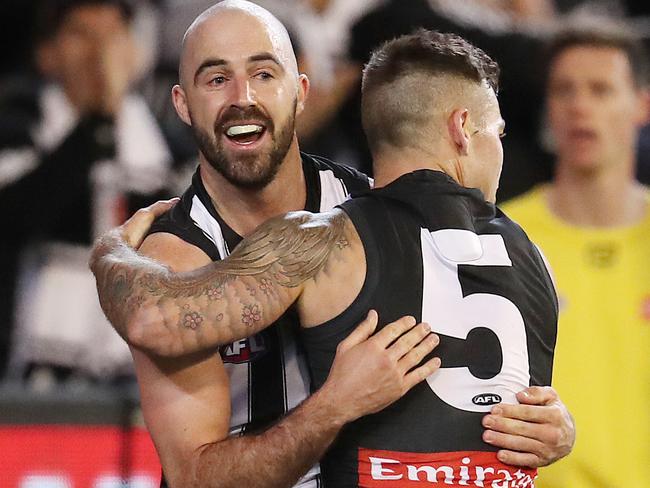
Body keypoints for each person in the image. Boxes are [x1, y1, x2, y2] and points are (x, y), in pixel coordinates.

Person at [91, 22, 574, 488]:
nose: (243, 97)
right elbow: (196, 480)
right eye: (217, 79)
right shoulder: (171, 257)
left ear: (302, 90)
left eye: (263, 74)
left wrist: (549, 425)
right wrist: (334, 406)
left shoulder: (368, 210)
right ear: (182, 103)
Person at [502, 17, 650, 487]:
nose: (580, 106)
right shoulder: (504, 237)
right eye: (564, 90)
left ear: (642, 104)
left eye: (601, 90)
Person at [0, 0, 170, 381]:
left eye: (113, 35)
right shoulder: (18, 120)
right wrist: (98, 124)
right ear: (47, 54)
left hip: (133, 371)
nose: (100, 51)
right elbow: (19, 216)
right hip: (31, 376)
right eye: (82, 35)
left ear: (135, 52)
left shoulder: (166, 139)